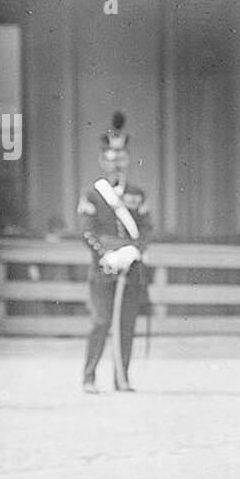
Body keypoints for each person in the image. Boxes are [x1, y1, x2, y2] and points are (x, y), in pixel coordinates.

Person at [78, 114, 151, 393]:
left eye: (121, 157)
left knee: (127, 323)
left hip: (130, 268)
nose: (116, 163)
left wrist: (134, 250)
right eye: (111, 158)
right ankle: (89, 376)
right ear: (102, 161)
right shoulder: (93, 195)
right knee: (101, 321)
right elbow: (86, 232)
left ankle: (122, 377)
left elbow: (146, 229)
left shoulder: (137, 195)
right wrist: (105, 256)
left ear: (128, 160)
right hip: (103, 269)